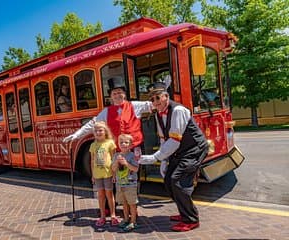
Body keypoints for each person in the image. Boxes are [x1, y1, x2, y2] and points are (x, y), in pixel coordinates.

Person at [63, 76, 151, 214]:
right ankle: (111, 207)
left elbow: (154, 104)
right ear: (110, 96)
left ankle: (132, 206)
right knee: (114, 176)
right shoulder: (106, 111)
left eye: (119, 92)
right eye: (114, 93)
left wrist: (165, 92)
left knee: (132, 177)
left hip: (134, 148)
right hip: (116, 149)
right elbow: (92, 124)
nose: (117, 95)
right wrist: (76, 135)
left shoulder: (135, 106)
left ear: (124, 93)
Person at [138, 82, 208, 232]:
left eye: (158, 98)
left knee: (178, 180)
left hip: (194, 149)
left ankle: (191, 219)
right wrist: (164, 160)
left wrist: (155, 157)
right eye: (152, 100)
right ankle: (184, 212)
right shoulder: (158, 113)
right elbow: (164, 138)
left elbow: (175, 140)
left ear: (166, 96)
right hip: (180, 150)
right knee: (168, 179)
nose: (155, 102)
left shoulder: (178, 110)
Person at [89, 121, 119, 227]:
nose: (98, 132)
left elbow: (114, 159)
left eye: (100, 130)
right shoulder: (93, 145)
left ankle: (113, 215)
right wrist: (92, 175)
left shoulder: (110, 143)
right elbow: (92, 161)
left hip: (108, 174)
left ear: (105, 131)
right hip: (97, 175)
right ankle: (102, 216)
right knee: (100, 196)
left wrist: (114, 174)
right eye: (96, 131)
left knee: (109, 195)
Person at [111, 134, 139, 232]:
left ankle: (133, 221)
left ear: (131, 145)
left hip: (130, 184)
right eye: (121, 142)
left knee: (132, 203)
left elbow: (136, 169)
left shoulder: (132, 156)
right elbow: (113, 169)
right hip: (120, 184)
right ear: (118, 144)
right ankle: (126, 219)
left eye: (126, 142)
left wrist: (126, 163)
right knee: (124, 203)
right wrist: (116, 162)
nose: (123, 144)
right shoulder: (116, 155)